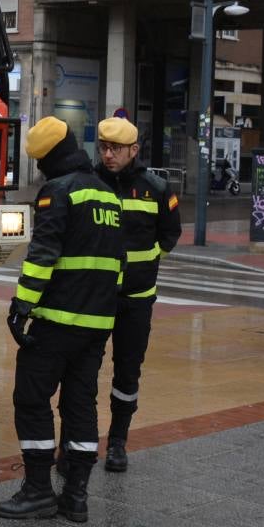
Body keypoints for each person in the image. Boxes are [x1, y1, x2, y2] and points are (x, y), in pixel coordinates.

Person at [0, 115, 125, 523]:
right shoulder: (108, 195)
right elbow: (118, 265)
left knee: (32, 399)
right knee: (80, 404)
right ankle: (76, 497)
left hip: (56, 322)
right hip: (97, 325)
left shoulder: (58, 191)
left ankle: (37, 491)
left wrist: (21, 306)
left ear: (48, 159)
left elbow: (43, 256)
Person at [94, 117, 182, 473]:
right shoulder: (89, 182)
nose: (108, 154)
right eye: (103, 147)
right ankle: (76, 445)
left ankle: (117, 443)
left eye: (116, 148)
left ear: (134, 150)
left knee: (127, 373)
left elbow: (169, 235)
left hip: (136, 298)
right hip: (94, 298)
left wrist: (143, 265)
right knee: (82, 372)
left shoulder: (157, 188)